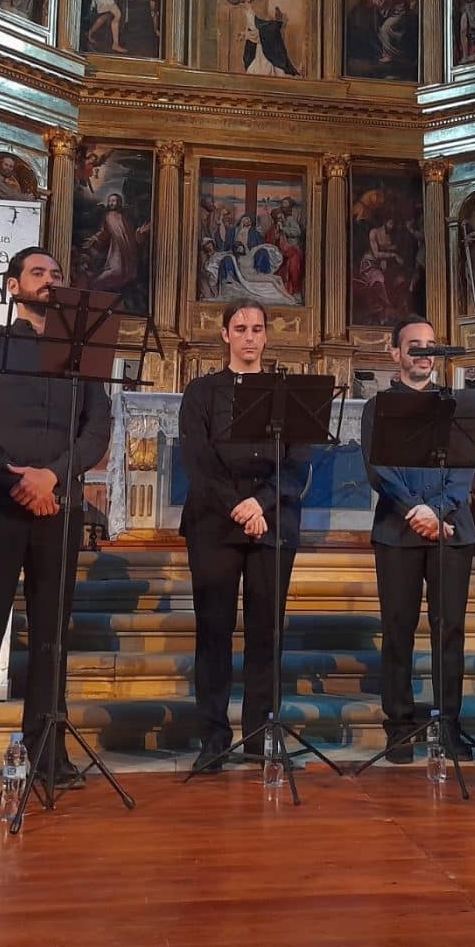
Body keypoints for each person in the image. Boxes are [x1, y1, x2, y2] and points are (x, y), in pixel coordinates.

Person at [0, 248, 112, 801]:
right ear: (13, 286)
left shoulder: (83, 357)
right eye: (39, 273)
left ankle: (47, 754)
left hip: (57, 508)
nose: (50, 282)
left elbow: (95, 429)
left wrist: (52, 478)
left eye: (58, 275)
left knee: (51, 636)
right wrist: (13, 478)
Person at [178, 299, 311, 772]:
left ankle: (260, 737)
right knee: (213, 633)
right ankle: (212, 740)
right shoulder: (201, 392)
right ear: (225, 335)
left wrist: (262, 502)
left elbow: (298, 463)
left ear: (266, 335)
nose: (250, 336)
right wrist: (238, 504)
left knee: (266, 633)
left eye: (257, 328)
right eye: (240, 328)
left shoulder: (287, 392)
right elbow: (197, 460)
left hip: (271, 523)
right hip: (215, 522)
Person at [361, 316, 475, 763]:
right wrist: (416, 510)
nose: (424, 353)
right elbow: (378, 467)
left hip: (452, 529)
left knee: (449, 631)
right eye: (414, 346)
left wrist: (440, 510)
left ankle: (449, 725)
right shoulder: (379, 407)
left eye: (431, 345)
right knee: (398, 630)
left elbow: (467, 462)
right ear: (395, 353)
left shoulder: (455, 403)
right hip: (398, 530)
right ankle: (399, 727)